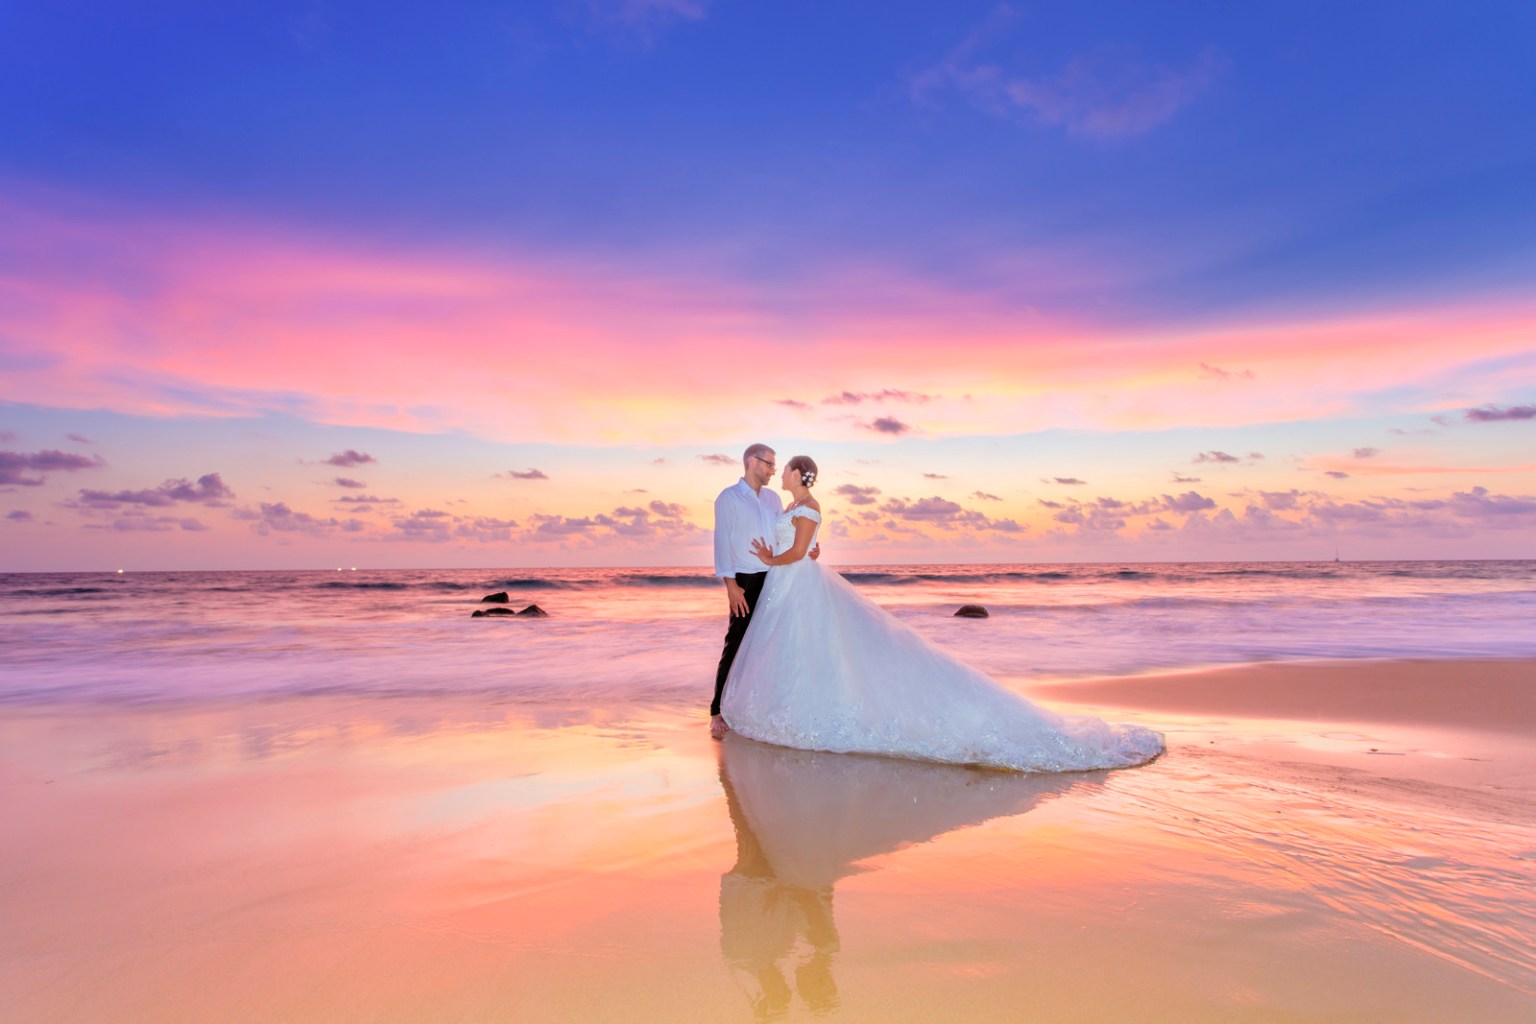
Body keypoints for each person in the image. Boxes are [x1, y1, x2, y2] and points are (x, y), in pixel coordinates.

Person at [721, 456, 1164, 773]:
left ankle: (806, 711)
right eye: (773, 465)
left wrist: (772, 556)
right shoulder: (787, 506)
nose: (780, 472)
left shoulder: (807, 506)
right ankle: (780, 706)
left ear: (800, 475)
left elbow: (798, 551)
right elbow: (805, 548)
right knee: (795, 649)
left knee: (811, 646)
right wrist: (779, 556)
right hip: (785, 585)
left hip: (792, 582)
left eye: (786, 468)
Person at [711, 443, 785, 740]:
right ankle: (716, 710)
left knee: (770, 643)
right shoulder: (728, 498)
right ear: (752, 462)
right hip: (745, 580)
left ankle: (758, 706)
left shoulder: (773, 498)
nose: (772, 471)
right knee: (737, 642)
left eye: (774, 466)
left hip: (775, 577)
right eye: (769, 464)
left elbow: (782, 536)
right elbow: (721, 543)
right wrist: (731, 586)